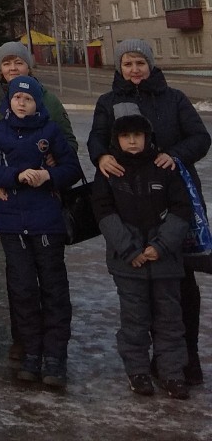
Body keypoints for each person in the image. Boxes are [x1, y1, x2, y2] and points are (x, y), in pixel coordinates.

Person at [88, 37, 210, 385]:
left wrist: (175, 155)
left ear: (151, 65)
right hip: (129, 201)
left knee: (179, 286)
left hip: (171, 198)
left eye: (140, 62)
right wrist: (102, 156)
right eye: (127, 63)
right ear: (119, 67)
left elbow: (200, 137)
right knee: (138, 294)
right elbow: (96, 138)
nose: (134, 69)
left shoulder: (173, 99)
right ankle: (142, 365)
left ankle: (181, 365)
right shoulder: (109, 101)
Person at [0, 75, 80, 388]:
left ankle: (54, 356)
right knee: (22, 290)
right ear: (8, 102)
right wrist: (13, 176)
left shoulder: (49, 131)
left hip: (47, 221)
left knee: (53, 289)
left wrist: (47, 176)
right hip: (12, 223)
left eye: (28, 99)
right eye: (17, 99)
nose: (22, 103)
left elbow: (71, 168)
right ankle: (31, 352)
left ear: (37, 103)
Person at [90, 106, 192, 399]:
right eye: (125, 136)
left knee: (170, 320)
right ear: (116, 140)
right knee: (134, 321)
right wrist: (129, 248)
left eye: (138, 135)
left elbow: (181, 209)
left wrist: (160, 246)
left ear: (148, 137)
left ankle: (172, 373)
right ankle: (138, 372)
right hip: (128, 263)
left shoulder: (165, 168)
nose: (132, 141)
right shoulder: (109, 173)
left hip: (165, 261)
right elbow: (104, 212)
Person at [0, 41, 77, 156]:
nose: (13, 68)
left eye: (19, 63)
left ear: (28, 67)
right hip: (3, 171)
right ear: (1, 69)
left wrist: (56, 157)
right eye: (6, 64)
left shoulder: (49, 100)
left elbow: (69, 142)